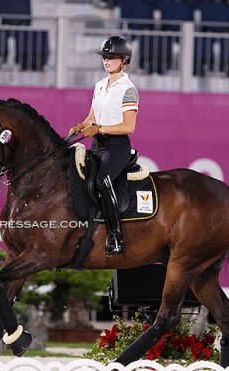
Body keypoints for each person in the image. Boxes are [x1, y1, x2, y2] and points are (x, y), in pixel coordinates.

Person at [70, 35, 139, 256]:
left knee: (103, 181)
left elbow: (129, 126)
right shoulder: (100, 85)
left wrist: (99, 129)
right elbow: (92, 116)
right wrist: (82, 125)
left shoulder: (128, 89)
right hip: (97, 144)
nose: (106, 60)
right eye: (104, 57)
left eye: (111, 57)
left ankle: (116, 236)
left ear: (124, 61)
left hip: (116, 147)